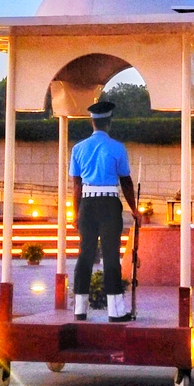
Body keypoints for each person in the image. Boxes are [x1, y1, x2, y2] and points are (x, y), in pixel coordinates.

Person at [70, 100, 140, 322]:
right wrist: (135, 210)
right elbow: (126, 182)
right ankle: (115, 311)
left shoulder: (78, 148)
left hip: (87, 204)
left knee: (85, 254)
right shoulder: (117, 148)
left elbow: (76, 185)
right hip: (109, 204)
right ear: (109, 122)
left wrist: (75, 212)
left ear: (92, 122)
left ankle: (80, 309)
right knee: (111, 255)